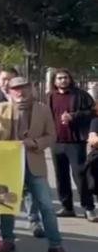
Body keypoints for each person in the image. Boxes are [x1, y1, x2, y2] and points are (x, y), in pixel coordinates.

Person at [0, 77, 72, 252]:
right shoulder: (1, 109)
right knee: (6, 205)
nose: (20, 92)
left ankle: (55, 245)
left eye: (23, 88)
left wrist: (34, 143)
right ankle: (8, 240)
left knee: (47, 206)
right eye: (15, 89)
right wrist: (0, 144)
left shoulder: (42, 109)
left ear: (31, 88)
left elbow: (51, 136)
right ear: (9, 91)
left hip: (34, 164)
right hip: (8, 165)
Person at [47, 68, 97, 221]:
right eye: (60, 78)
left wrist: (74, 116)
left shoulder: (80, 95)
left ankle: (88, 208)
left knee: (80, 175)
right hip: (56, 142)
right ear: (54, 81)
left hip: (75, 142)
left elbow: (93, 112)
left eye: (65, 77)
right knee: (60, 176)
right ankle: (67, 207)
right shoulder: (50, 97)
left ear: (70, 79)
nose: (63, 80)